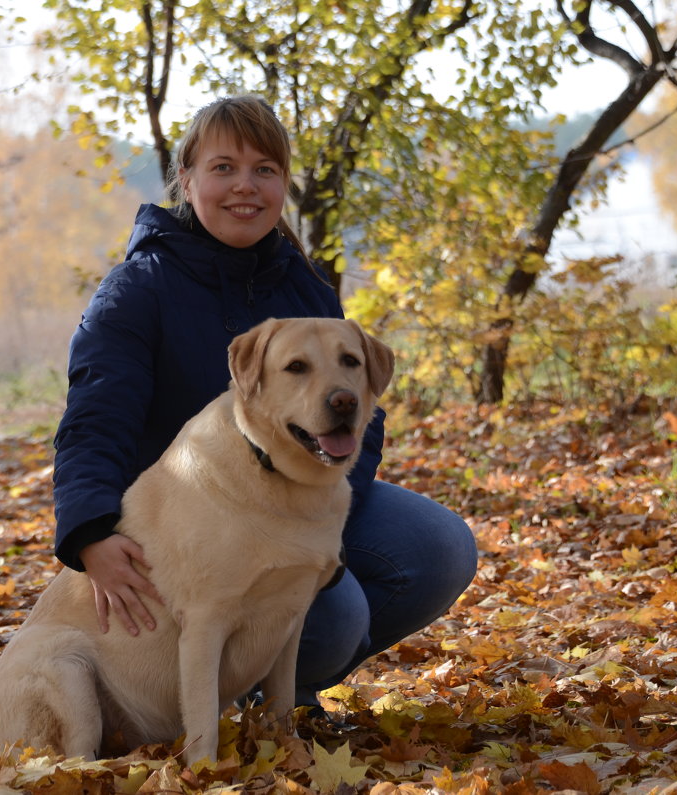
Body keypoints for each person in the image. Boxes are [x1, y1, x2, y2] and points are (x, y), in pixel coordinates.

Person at [51, 95, 477, 710]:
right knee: (336, 619)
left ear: (283, 183)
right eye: (223, 168)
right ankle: (215, 692)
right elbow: (94, 422)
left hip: (298, 501)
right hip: (190, 530)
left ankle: (277, 697)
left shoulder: (301, 283)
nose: (244, 187)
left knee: (439, 546)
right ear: (187, 179)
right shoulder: (138, 290)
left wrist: (324, 505)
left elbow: (357, 409)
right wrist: (89, 532)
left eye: (265, 170)